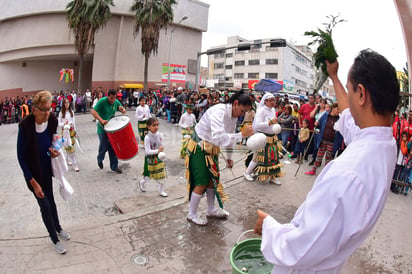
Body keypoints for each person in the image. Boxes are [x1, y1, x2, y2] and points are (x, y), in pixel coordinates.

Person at [254, 49, 400, 273]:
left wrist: (269, 228)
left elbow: (300, 250)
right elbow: (349, 116)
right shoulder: (385, 145)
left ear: (361, 94)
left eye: (350, 90)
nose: (347, 100)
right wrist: (334, 76)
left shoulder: (347, 173)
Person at [183, 92, 254, 225]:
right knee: (202, 181)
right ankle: (191, 214)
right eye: (242, 111)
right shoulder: (219, 111)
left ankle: (211, 210)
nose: (242, 115)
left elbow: (229, 137)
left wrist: (229, 158)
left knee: (212, 180)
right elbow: (219, 138)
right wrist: (242, 135)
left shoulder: (233, 117)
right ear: (236, 104)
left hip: (212, 148)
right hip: (200, 146)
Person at [17, 90, 71, 254]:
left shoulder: (52, 120)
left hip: (47, 169)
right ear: (34, 110)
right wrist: (33, 183)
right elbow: (21, 158)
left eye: (50, 108)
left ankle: (58, 227)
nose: (48, 113)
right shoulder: (25, 126)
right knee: (45, 205)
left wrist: (54, 151)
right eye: (44, 109)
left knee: (51, 201)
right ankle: (54, 239)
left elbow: (53, 142)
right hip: (33, 174)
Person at [244, 93, 283, 185]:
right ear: (266, 101)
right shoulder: (261, 111)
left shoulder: (273, 110)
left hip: (272, 137)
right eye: (271, 100)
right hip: (262, 137)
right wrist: (269, 123)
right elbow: (258, 125)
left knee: (273, 157)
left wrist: (275, 124)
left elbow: (273, 122)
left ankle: (274, 176)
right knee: (257, 156)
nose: (273, 102)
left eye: (274, 100)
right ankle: (247, 172)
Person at [91, 89, 126, 173]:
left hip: (111, 128)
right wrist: (101, 120)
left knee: (113, 147)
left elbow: (121, 108)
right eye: (111, 99)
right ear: (108, 96)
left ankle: (114, 166)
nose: (112, 100)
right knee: (104, 145)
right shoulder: (102, 101)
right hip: (102, 128)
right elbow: (93, 111)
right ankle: (100, 159)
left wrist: (122, 110)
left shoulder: (116, 101)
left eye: (114, 98)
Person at [305, 103, 342, 175]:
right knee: (319, 156)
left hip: (332, 141)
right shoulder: (325, 115)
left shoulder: (339, 119)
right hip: (323, 139)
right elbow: (319, 124)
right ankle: (313, 170)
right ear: (333, 108)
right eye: (337, 109)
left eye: (339, 110)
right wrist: (317, 124)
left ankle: (325, 174)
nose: (338, 111)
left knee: (328, 158)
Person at [138, 117, 168, 197]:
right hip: (150, 159)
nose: (156, 127)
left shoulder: (160, 135)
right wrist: (158, 151)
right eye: (154, 125)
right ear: (148, 127)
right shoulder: (147, 137)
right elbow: (147, 151)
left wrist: (161, 152)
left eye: (157, 125)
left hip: (158, 157)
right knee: (148, 176)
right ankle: (142, 182)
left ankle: (161, 191)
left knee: (162, 175)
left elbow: (161, 145)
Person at [58, 98, 79, 172]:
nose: (67, 104)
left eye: (68, 103)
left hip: (71, 131)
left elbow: (74, 123)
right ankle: (70, 161)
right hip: (65, 131)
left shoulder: (71, 112)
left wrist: (75, 132)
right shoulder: (61, 113)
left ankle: (73, 162)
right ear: (63, 104)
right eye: (65, 103)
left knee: (72, 147)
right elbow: (59, 124)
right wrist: (64, 123)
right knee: (67, 147)